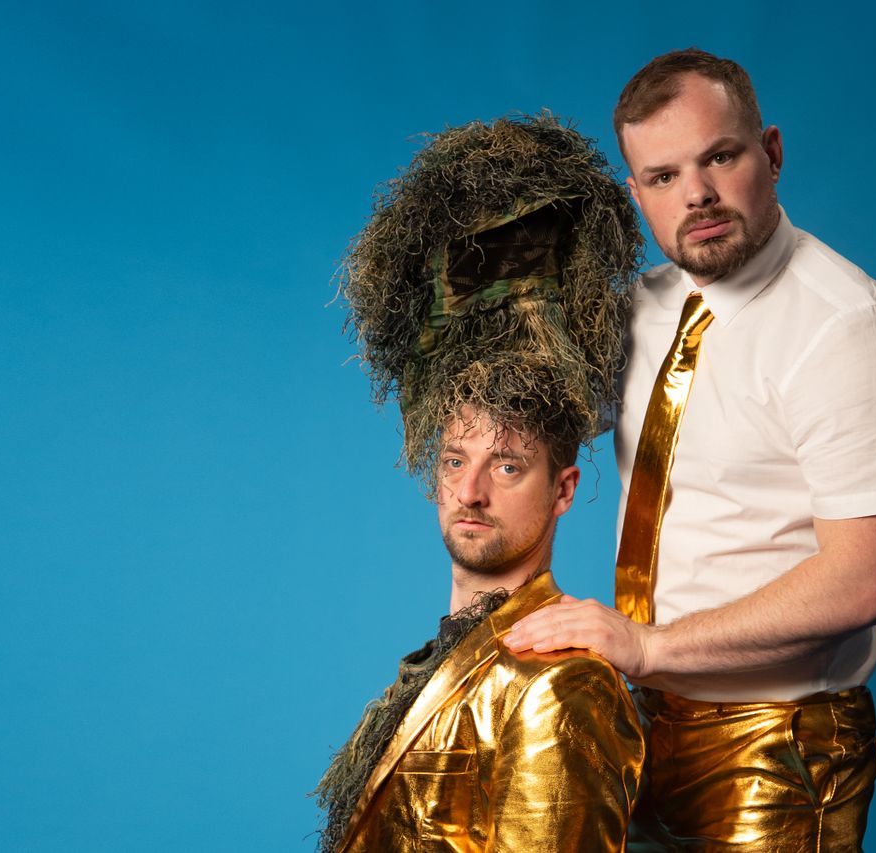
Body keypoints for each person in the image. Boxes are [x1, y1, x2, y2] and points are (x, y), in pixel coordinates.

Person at [504, 49, 876, 851]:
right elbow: (529, 423)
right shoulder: (646, 308)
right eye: (664, 176)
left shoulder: (848, 330)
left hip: (780, 744)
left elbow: (864, 579)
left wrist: (650, 646)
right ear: (637, 195)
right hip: (643, 719)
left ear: (771, 153)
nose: (696, 193)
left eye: (720, 157)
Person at [314, 115, 646, 852]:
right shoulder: (441, 660)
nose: (470, 491)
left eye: (507, 465)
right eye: (454, 460)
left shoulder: (563, 689)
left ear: (564, 490)